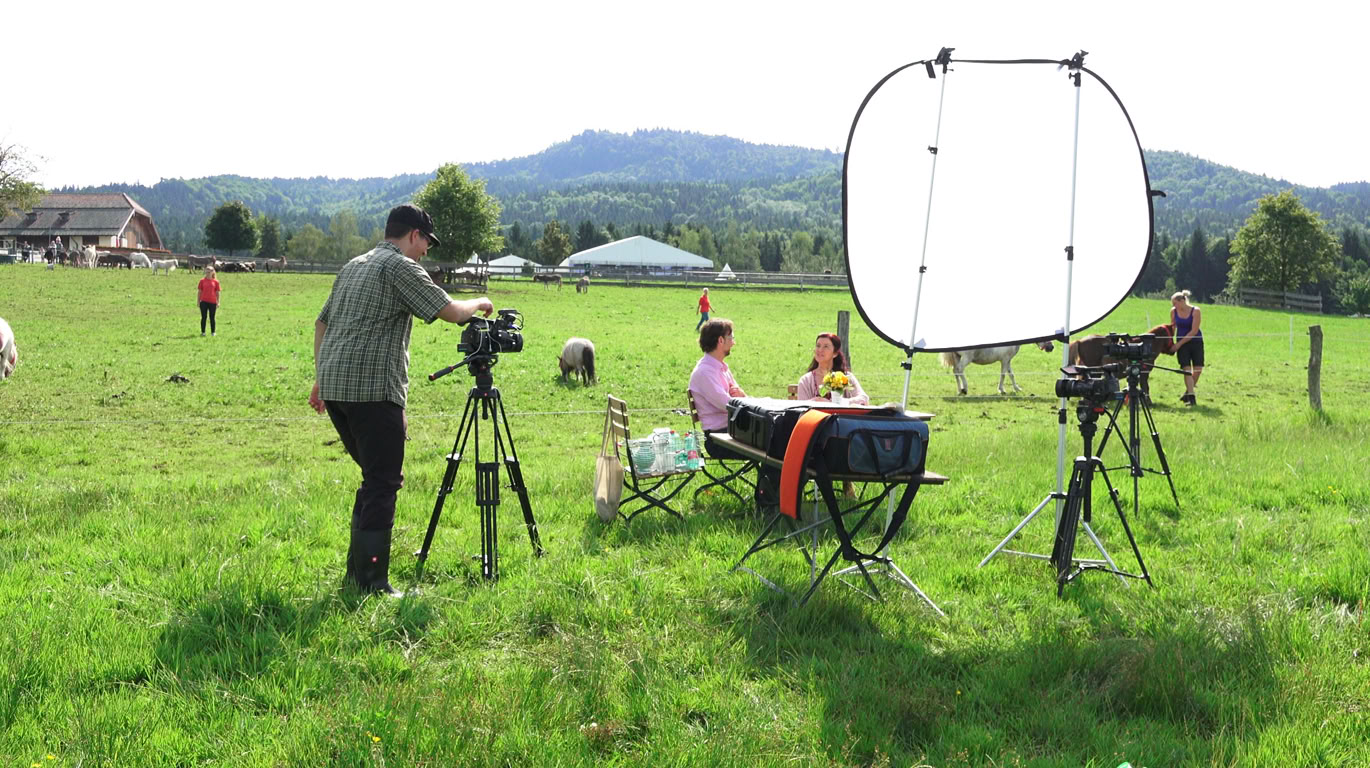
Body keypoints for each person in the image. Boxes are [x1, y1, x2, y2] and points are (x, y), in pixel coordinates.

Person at [308, 203, 494, 596]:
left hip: (338, 390)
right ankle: (373, 584)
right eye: (426, 241)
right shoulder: (400, 267)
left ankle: (357, 575)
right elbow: (448, 310)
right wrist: (480, 304)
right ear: (413, 235)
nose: (426, 250)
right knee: (382, 483)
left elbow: (321, 322)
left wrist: (320, 377)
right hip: (373, 390)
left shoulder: (354, 265)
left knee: (374, 480)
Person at [688, 318, 779, 507]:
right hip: (719, 438)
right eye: (731, 337)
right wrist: (743, 400)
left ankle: (775, 499)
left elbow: (738, 396)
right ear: (721, 341)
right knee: (775, 448)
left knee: (779, 439)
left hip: (733, 430)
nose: (734, 342)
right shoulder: (705, 372)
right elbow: (727, 404)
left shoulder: (720, 367)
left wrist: (743, 398)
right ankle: (767, 504)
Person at [795, 332, 869, 405]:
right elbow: (801, 406)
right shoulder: (806, 380)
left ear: (835, 353)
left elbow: (863, 399)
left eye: (826, 346)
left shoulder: (845, 377)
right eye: (818, 346)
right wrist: (815, 401)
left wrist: (836, 403)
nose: (820, 350)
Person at [1171, 289, 1204, 405]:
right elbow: (1172, 328)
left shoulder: (1196, 311)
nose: (1174, 306)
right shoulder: (1173, 312)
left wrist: (1178, 344)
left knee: (1198, 370)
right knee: (1186, 370)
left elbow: (1194, 331)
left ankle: (1187, 393)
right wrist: (1171, 343)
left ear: (1182, 301)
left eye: (1175, 303)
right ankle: (1192, 397)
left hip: (1195, 342)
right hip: (1181, 343)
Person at [197, 266, 221, 336]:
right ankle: (203, 332)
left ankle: (213, 332)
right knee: (203, 317)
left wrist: (218, 302)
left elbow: (217, 293)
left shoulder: (216, 282)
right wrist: (198, 301)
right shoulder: (202, 281)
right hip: (203, 301)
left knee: (212, 317)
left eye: (209, 272)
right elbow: (199, 292)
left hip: (213, 302)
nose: (207, 273)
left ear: (212, 272)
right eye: (206, 272)